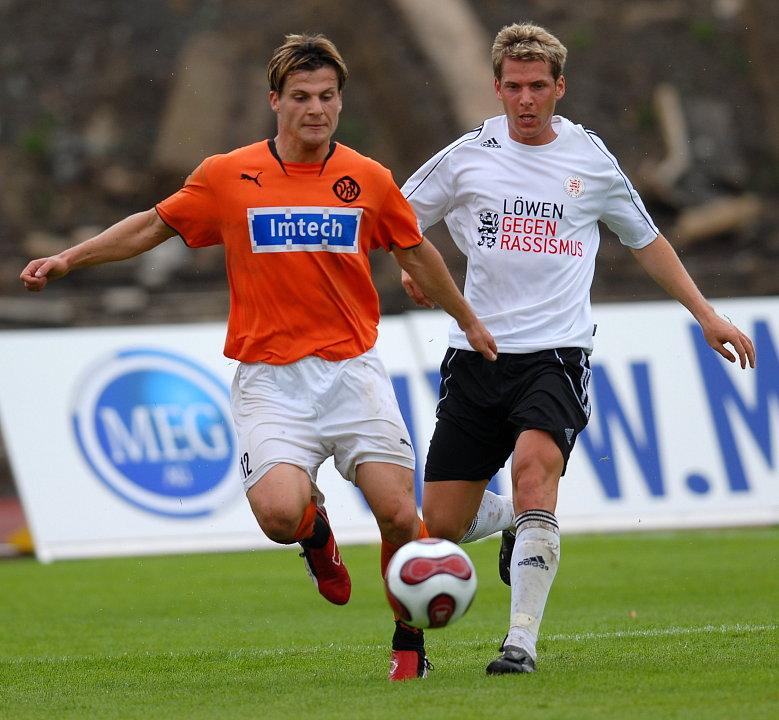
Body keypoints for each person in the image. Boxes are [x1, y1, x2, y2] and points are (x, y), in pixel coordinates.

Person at [20, 32, 497, 682]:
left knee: (395, 513)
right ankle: (314, 534)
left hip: (352, 374)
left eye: (326, 96)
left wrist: (466, 318)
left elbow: (417, 253)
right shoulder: (228, 176)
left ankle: (408, 646)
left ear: (339, 101)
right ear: (275, 100)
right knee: (278, 516)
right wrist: (69, 258)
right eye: (301, 96)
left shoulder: (368, 179)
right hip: (270, 382)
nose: (315, 108)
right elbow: (152, 224)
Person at [400, 22, 756, 675]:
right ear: (497, 88)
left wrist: (705, 314)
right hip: (476, 355)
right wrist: (411, 267)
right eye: (514, 86)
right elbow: (397, 219)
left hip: (556, 355)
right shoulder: (467, 155)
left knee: (536, 472)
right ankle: (512, 519)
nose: (526, 99)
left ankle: (520, 642)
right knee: (441, 524)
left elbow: (645, 239)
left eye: (538, 85)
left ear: (559, 87)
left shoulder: (589, 159)